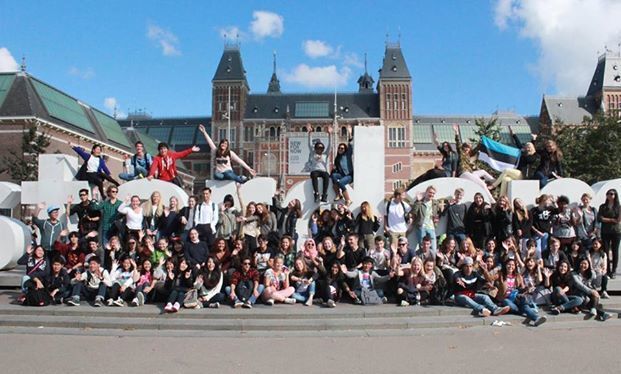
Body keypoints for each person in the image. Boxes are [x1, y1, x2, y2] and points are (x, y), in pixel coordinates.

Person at [488, 127, 539, 196]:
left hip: (523, 175)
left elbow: (529, 160)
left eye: (529, 147)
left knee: (507, 170)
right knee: (505, 179)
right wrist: (513, 134)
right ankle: (502, 198)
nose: (527, 148)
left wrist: (533, 140)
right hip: (517, 173)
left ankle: (493, 185)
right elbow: (518, 143)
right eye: (526, 146)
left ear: (533, 148)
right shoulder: (523, 152)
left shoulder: (534, 155)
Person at [496, 258, 547, 326]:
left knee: (523, 302)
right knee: (508, 303)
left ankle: (537, 318)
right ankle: (530, 313)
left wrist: (527, 289)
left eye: (512, 265)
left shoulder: (518, 276)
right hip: (506, 298)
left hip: (517, 297)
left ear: (515, 267)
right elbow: (491, 280)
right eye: (509, 264)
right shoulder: (500, 275)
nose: (510, 266)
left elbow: (522, 288)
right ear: (505, 265)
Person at [452, 124, 496, 203]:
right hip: (463, 173)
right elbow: (458, 144)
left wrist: (482, 139)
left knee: (483, 172)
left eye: (468, 147)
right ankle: (492, 201)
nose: (466, 149)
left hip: (470, 173)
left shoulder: (469, 156)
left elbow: (478, 148)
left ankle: (495, 182)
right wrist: (457, 133)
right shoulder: (461, 154)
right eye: (465, 147)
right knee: (482, 184)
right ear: (463, 148)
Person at [411, 185, 443, 255]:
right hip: (421, 226)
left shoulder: (435, 203)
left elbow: (440, 213)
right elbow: (414, 212)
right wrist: (418, 201)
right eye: (430, 192)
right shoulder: (420, 202)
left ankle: (432, 263)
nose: (431, 194)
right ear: (426, 192)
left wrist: (436, 219)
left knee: (434, 248)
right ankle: (422, 262)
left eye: (433, 193)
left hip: (431, 227)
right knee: (423, 247)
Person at [597, 188, 621, 278]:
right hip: (605, 232)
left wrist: (605, 219)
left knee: (615, 251)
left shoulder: (619, 207)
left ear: (615, 196)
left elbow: (618, 220)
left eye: (612, 194)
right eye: (608, 194)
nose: (610, 195)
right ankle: (607, 270)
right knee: (605, 251)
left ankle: (614, 270)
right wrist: (611, 219)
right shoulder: (602, 206)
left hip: (616, 232)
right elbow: (599, 218)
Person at [306, 126, 333, 203]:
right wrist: (310, 134)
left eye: (321, 148)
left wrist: (330, 134)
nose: (319, 149)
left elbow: (330, 146)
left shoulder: (325, 154)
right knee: (314, 175)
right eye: (318, 148)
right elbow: (309, 144)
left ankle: (324, 194)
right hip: (315, 171)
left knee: (327, 176)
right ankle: (316, 194)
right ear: (315, 148)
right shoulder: (313, 153)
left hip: (323, 171)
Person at [331, 125, 354, 205]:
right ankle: (338, 194)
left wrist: (350, 134)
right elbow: (335, 170)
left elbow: (350, 145)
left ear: (345, 150)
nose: (340, 149)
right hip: (342, 175)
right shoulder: (337, 158)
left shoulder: (347, 155)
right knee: (333, 176)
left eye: (342, 148)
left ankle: (348, 199)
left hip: (349, 175)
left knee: (340, 182)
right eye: (339, 148)